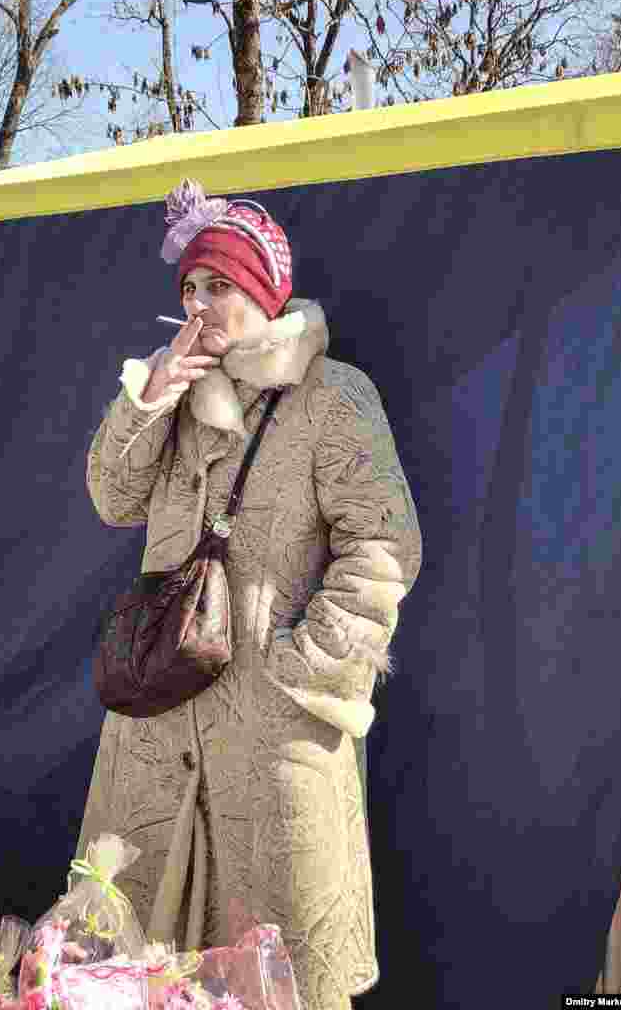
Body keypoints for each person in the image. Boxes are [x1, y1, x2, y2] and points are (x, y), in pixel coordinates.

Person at [77, 179, 423, 1009]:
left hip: (274, 744)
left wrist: (300, 673)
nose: (198, 303)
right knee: (143, 967)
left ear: (263, 294)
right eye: (189, 288)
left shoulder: (335, 396)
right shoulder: (171, 398)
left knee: (280, 975)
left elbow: (384, 544)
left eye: (218, 286)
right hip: (157, 723)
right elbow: (110, 499)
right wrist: (149, 397)